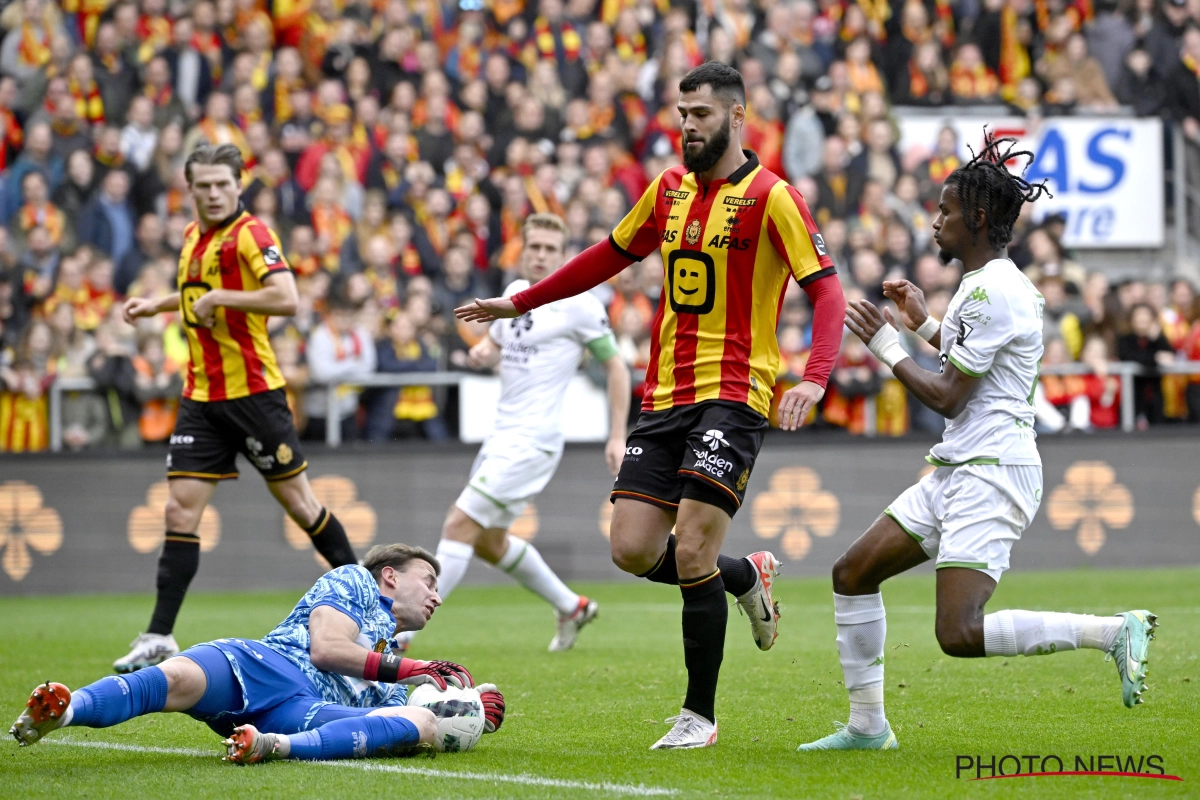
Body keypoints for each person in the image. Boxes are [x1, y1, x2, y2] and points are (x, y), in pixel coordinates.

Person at [457, 63, 846, 749]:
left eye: (700, 114)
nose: (687, 126)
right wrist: (519, 301)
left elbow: (828, 291)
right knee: (632, 549)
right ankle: (745, 576)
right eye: (682, 113)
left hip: (735, 391)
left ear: (735, 115)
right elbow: (605, 258)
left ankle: (699, 715)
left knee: (693, 544)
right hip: (664, 394)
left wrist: (814, 376)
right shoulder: (665, 192)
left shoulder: (773, 197)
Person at [801, 134, 1156, 752]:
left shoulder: (993, 290)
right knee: (852, 572)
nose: (936, 220)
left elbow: (947, 396)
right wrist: (926, 326)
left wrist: (886, 345)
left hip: (993, 470)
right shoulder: (985, 285)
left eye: (946, 210)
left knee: (958, 633)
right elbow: (972, 368)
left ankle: (1111, 632)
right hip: (960, 466)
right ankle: (867, 729)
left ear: (980, 219)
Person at [116, 144, 360, 674]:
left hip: (253, 395)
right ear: (191, 188)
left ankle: (370, 608)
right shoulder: (191, 237)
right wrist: (157, 304)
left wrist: (223, 298)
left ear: (239, 185)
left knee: (301, 506)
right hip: (201, 398)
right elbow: (193, 293)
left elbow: (286, 298)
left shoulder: (253, 235)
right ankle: (159, 634)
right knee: (179, 510)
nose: (213, 193)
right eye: (203, 185)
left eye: (222, 184)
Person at [11, 544, 505, 762]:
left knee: (418, 728)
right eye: (430, 581)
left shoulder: (388, 657)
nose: (437, 596)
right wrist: (417, 670)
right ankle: (65, 709)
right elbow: (327, 650)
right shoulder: (354, 580)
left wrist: (472, 710)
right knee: (179, 676)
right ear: (391, 575)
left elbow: (419, 715)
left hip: (302, 712)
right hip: (267, 666)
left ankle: (269, 746)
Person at [397, 213, 629, 655]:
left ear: (563, 255)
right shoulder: (511, 295)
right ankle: (571, 606)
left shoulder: (580, 303)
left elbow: (616, 366)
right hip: (501, 435)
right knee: (488, 540)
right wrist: (481, 353)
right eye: (534, 247)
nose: (540, 255)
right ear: (523, 250)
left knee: (458, 524)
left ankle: (401, 636)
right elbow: (496, 346)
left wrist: (617, 435)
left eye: (549, 248)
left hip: (533, 441)